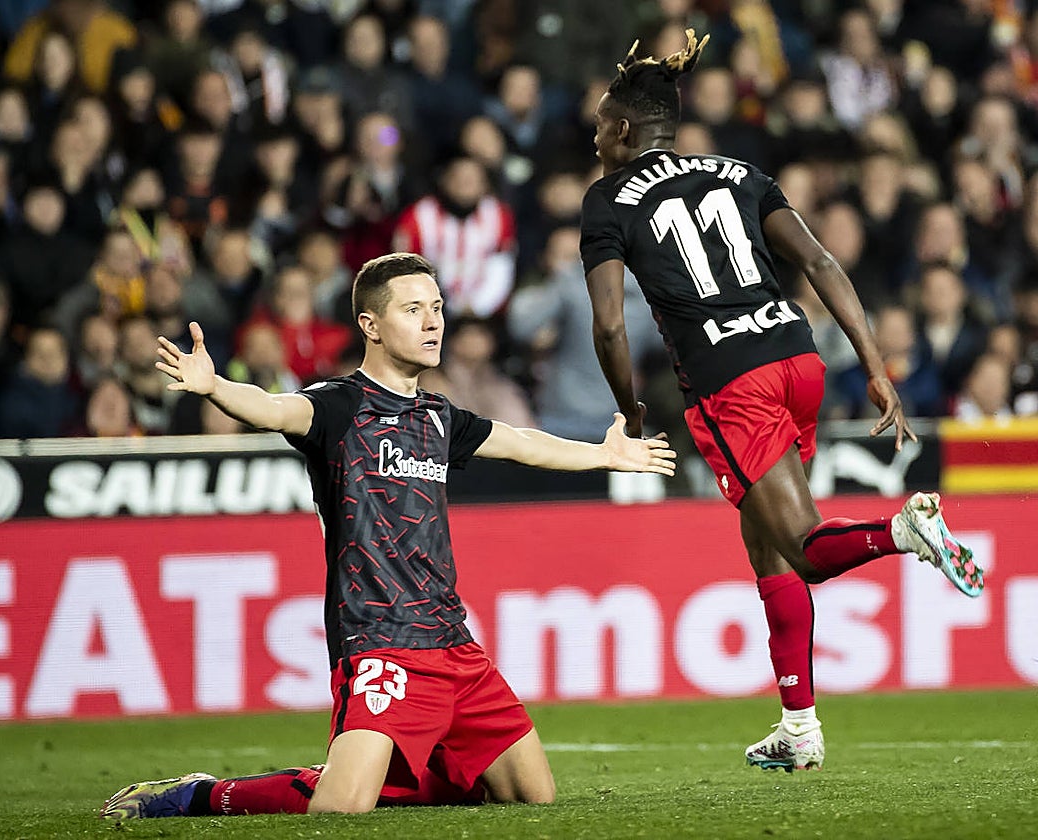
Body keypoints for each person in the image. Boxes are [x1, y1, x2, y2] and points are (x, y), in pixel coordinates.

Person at [99, 251, 677, 819]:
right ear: (371, 326)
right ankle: (204, 795)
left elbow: (522, 442)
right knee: (342, 805)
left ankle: (395, 779)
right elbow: (274, 409)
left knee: (531, 795)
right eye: (412, 310)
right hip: (379, 638)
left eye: (437, 308)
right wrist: (216, 387)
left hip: (453, 643)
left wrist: (604, 454)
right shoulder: (338, 407)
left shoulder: (438, 416)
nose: (432, 323)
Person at [579, 30, 986, 774]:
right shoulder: (740, 171)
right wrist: (874, 365)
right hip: (797, 357)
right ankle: (799, 727)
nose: (597, 136)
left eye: (603, 125)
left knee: (803, 544)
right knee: (765, 542)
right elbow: (820, 260)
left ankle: (905, 532)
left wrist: (630, 412)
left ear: (627, 131)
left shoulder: (607, 200)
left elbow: (608, 324)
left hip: (731, 381)